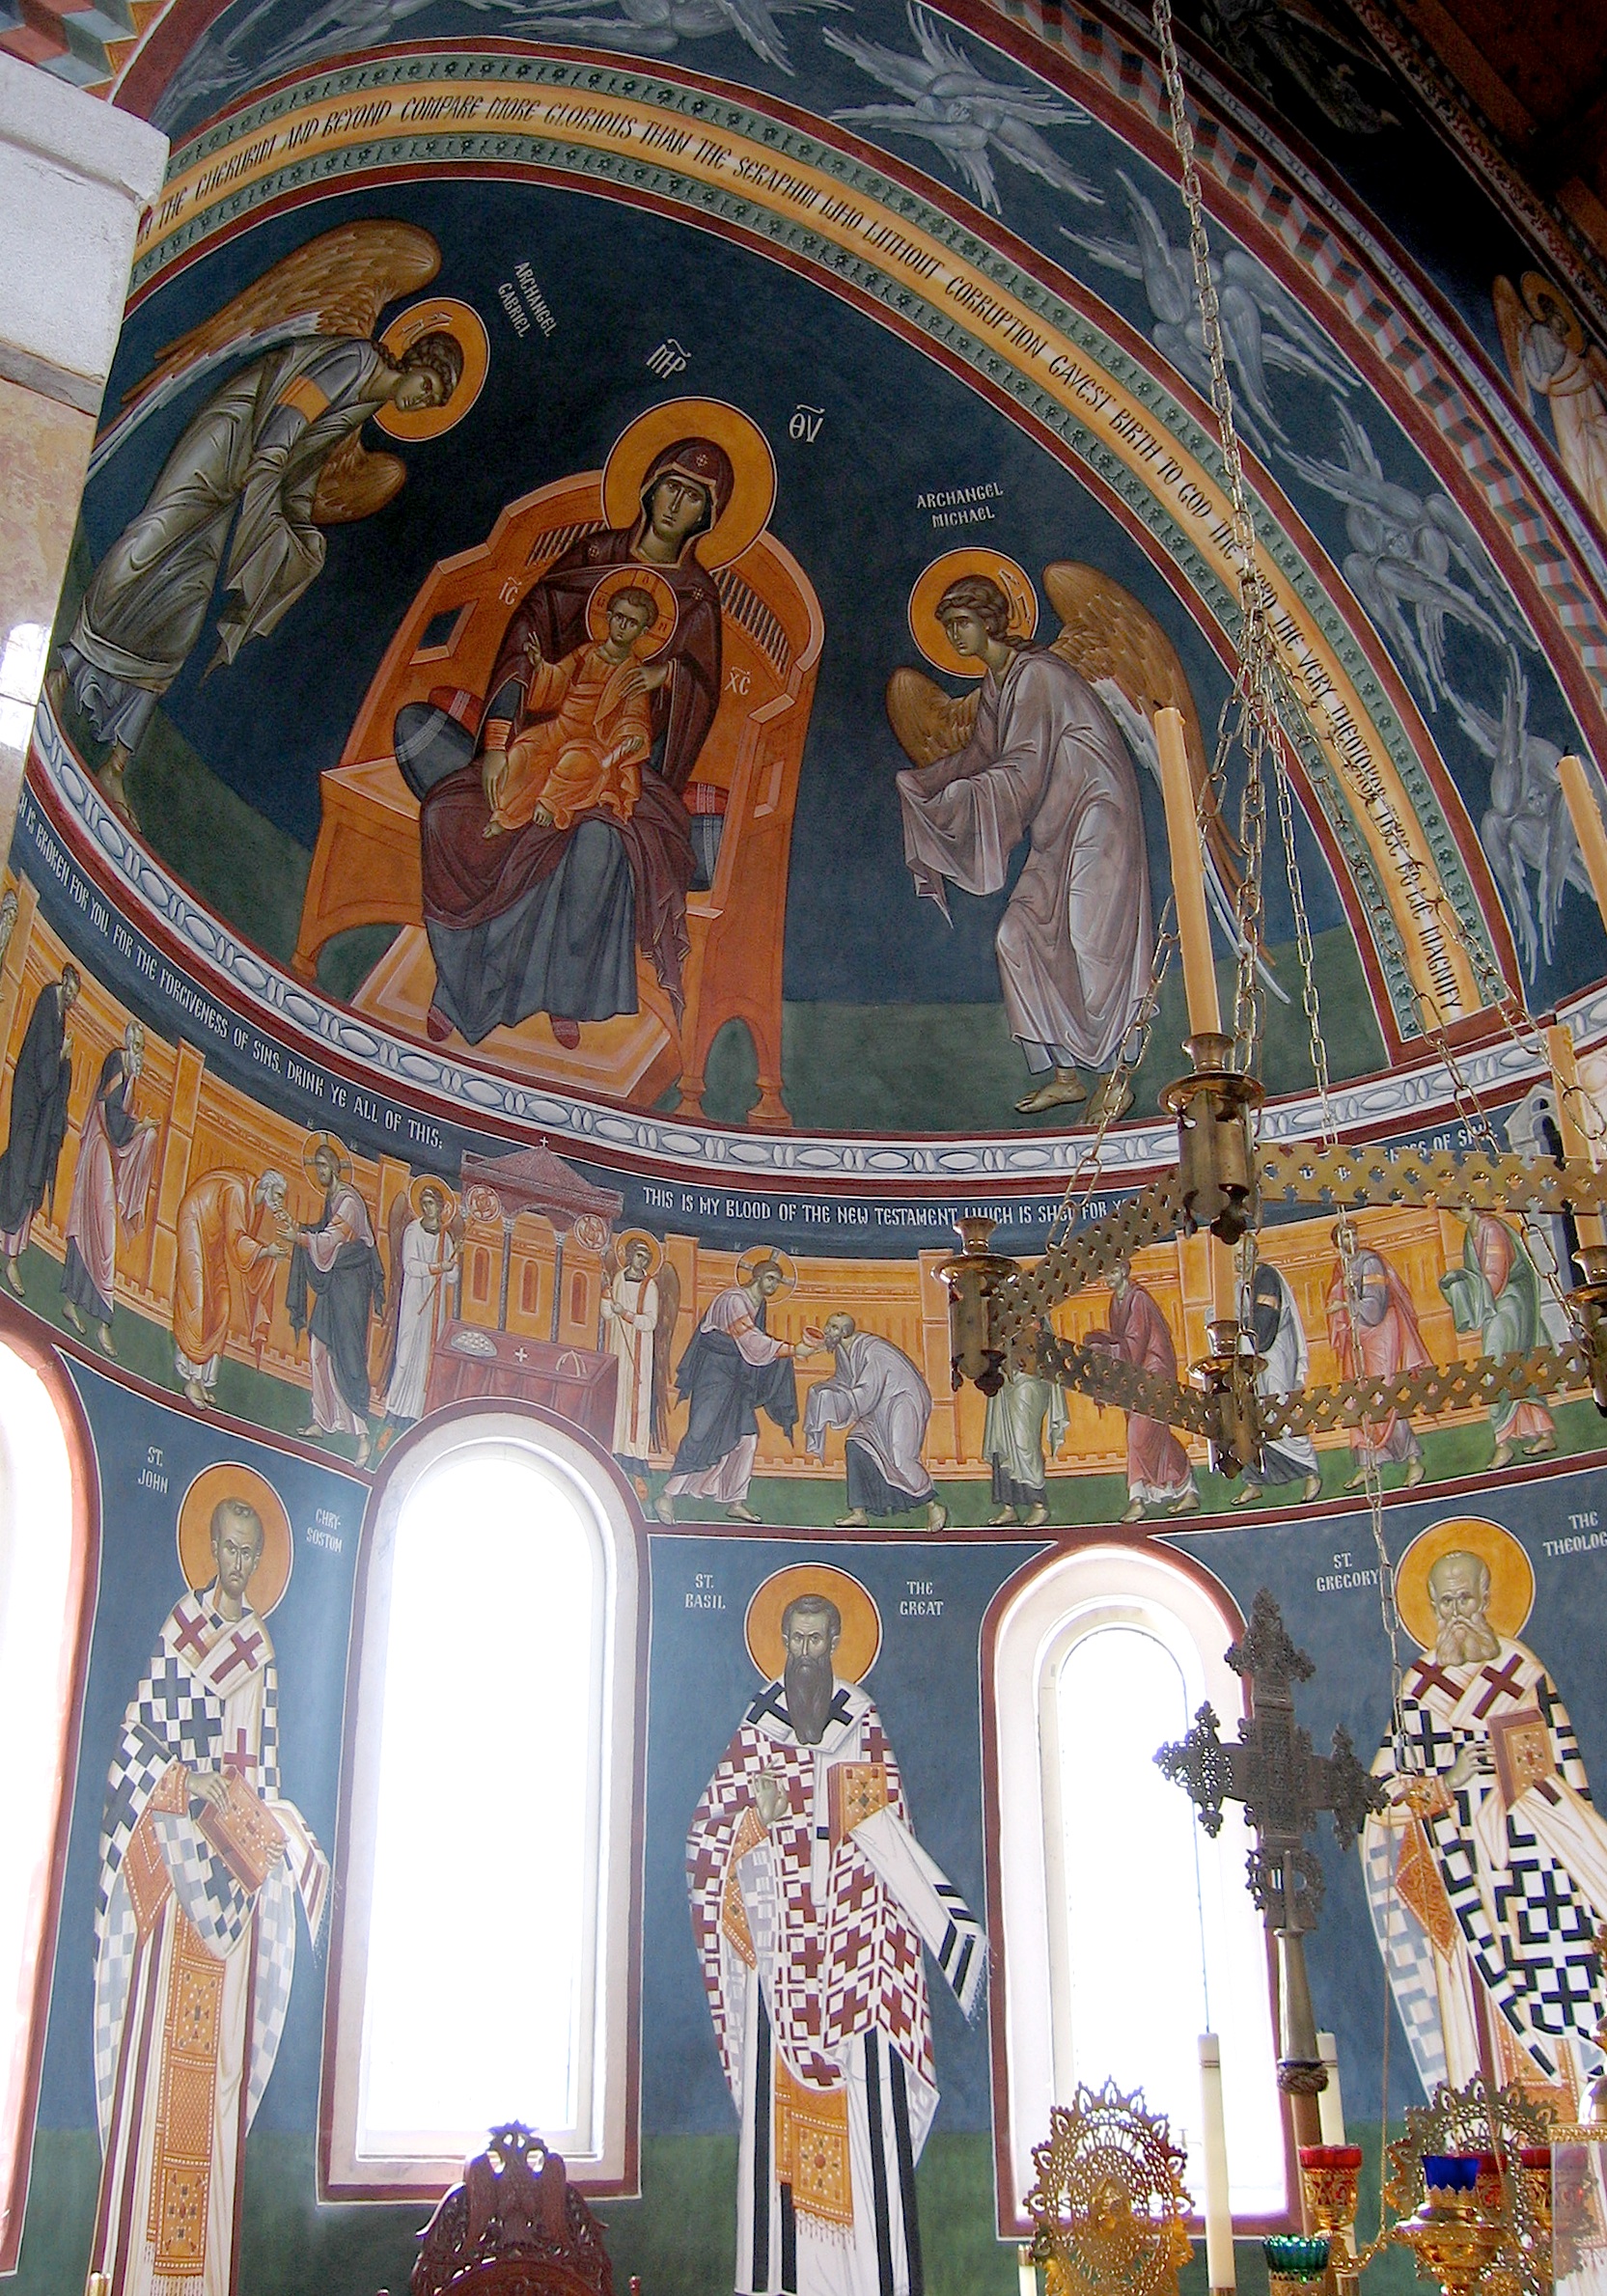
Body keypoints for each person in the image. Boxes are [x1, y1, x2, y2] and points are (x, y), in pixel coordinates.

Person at [687, 1591, 984, 2296]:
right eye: (795, 1640)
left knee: (867, 2132)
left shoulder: (861, 1722)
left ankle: (872, 2281)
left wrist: (851, 1829)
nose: (804, 1654)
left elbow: (886, 1829)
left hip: (858, 1959)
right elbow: (708, 1843)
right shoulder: (758, 1727)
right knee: (777, 2151)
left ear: (837, 1643)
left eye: (816, 1640)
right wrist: (754, 1826)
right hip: (778, 1966)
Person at [49, 328, 463, 828]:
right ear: (415, 362)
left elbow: (304, 468)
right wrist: (267, 475)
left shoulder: (365, 407)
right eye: (426, 385)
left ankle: (116, 762)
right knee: (152, 540)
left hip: (254, 474)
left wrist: (301, 531)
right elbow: (292, 410)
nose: (420, 400)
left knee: (190, 597)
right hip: (231, 436)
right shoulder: (356, 360)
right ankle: (64, 671)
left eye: (432, 402)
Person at [417, 437, 731, 1050]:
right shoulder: (591, 558)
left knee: (593, 846)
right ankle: (458, 989)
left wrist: (668, 677)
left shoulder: (696, 598)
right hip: (541, 739)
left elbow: (700, 691)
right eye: (671, 486)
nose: (676, 504)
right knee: (446, 815)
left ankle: (560, 995)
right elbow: (526, 643)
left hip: (619, 771)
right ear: (650, 488)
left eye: (693, 498)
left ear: (705, 517)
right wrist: (499, 740)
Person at [89, 1495, 326, 2296]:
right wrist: (183, 1782)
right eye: (227, 1547)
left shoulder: (260, 1649)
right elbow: (134, 1746)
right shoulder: (181, 1632)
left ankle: (197, 2279)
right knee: (159, 2071)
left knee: (216, 2078)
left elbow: (262, 1767)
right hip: (171, 1893)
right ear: (210, 1548)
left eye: (248, 1552)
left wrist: (270, 1828)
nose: (237, 1564)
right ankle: (139, 2271)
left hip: (229, 1892)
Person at [895, 573, 1152, 1119]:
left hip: (1098, 814)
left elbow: (1023, 767)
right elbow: (981, 755)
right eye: (948, 627)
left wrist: (960, 799)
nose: (955, 636)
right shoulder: (998, 685)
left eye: (963, 623)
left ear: (990, 622)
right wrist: (926, 783)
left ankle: (1116, 1076)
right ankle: (1067, 1076)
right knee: (1016, 936)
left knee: (1090, 936)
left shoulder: (1036, 674)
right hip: (1055, 825)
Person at [1363, 1544, 1607, 2105]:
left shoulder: (1524, 1672)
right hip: (1461, 1876)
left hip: (1538, 1871)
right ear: (1430, 1607)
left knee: (1559, 1987)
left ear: (1488, 1598)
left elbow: (1569, 1776)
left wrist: (1539, 1793)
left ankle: (1580, 2106)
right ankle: (1487, 2122)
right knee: (1479, 2011)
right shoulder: (1417, 1690)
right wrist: (1447, 1779)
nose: (1457, 1615)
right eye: (1445, 1603)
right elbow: (1378, 1799)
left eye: (1466, 1600)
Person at [483, 584, 659, 837]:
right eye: (619, 617)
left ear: (642, 631)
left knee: (575, 763)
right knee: (523, 751)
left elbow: (635, 715)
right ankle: (504, 816)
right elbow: (559, 681)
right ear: (609, 617)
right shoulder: (586, 652)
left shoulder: (633, 672)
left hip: (593, 742)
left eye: (632, 622)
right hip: (559, 729)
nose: (622, 626)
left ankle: (548, 803)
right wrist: (540, 666)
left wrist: (633, 735)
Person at [656, 1253, 810, 1523]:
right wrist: (792, 1349)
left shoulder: (759, 1304)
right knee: (701, 1431)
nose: (773, 1285)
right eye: (770, 1278)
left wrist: (788, 1352)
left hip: (737, 1375)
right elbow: (749, 1339)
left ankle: (735, 1500)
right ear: (757, 1276)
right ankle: (667, 1496)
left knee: (747, 1437)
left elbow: (752, 1344)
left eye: (777, 1281)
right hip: (715, 1370)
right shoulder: (733, 1300)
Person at [286, 1137, 384, 1467]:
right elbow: (323, 1233)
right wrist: (300, 1231)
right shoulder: (332, 1199)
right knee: (319, 1347)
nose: (320, 1171)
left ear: (336, 1168)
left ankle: (362, 1434)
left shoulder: (349, 1201)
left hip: (351, 1286)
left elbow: (332, 1239)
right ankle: (323, 1419)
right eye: (317, 1166)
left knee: (347, 1354)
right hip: (334, 1283)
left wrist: (301, 1238)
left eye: (324, 1165)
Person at [63, 1020, 160, 1354]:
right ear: (128, 1044)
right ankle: (87, 1311)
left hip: (108, 1152)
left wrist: (143, 1132)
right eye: (138, 1045)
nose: (140, 1052)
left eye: (142, 1047)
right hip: (99, 1150)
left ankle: (91, 1313)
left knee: (99, 1234)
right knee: (97, 1232)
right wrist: (140, 1127)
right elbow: (111, 1118)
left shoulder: (131, 1075)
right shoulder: (118, 1063)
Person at [802, 1312, 949, 1529]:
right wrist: (825, 1390)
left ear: (845, 1332)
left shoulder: (873, 1351)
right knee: (856, 1444)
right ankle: (858, 1513)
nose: (827, 1331)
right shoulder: (843, 1350)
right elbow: (844, 1381)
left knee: (900, 1457)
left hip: (902, 1401)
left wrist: (839, 1399)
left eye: (833, 1327)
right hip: (879, 1405)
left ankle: (933, 1506)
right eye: (828, 1325)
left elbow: (866, 1392)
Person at [1440, 1208, 1557, 1468]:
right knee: (1516, 1367)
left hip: (1509, 1304)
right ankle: (1543, 1433)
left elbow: (1495, 1276)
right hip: (1499, 1306)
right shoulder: (1470, 1233)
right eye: (1452, 1208)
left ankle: (1503, 1443)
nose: (1456, 1212)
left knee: (1498, 1367)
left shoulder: (1491, 1228)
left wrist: (1466, 1287)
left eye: (1460, 1205)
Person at [1084, 1256, 1199, 1520]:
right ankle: (1186, 1488)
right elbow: (1124, 1345)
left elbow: (1135, 1344)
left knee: (1138, 1432)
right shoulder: (1116, 1301)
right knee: (1156, 1433)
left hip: (1154, 1371)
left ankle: (1137, 1499)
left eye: (1113, 1272)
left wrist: (1105, 1352)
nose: (1108, 1278)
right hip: (1135, 1372)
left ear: (1124, 1271)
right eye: (1105, 1273)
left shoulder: (1138, 1299)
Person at [173, 1166, 291, 1405]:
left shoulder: (254, 1202)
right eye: (278, 1195)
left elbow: (239, 1242)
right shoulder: (238, 1191)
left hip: (212, 1234)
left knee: (222, 1303)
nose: (280, 1202)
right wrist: (266, 1251)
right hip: (195, 1221)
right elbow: (237, 1241)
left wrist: (266, 1252)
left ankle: (203, 1379)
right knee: (198, 1297)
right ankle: (191, 1379)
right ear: (267, 1187)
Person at [1324, 1228, 1428, 1489]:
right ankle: (1369, 1464)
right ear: (1337, 1243)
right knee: (1356, 1396)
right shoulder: (1341, 1266)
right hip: (1357, 1335)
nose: (1351, 1240)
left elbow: (1375, 1307)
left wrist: (1344, 1305)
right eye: (1345, 1237)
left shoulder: (1370, 1261)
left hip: (1380, 1331)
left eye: (1353, 1234)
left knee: (1383, 1395)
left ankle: (1413, 1459)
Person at [0, 965, 77, 1293]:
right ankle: (9, 1252)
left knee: (29, 1173)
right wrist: (61, 1056)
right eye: (70, 991)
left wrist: (63, 1061)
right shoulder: (49, 1003)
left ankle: (12, 1255)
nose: (71, 998)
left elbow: (53, 1075)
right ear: (64, 983)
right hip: (29, 1103)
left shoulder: (59, 1014)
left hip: (39, 1111)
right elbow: (44, 1069)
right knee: (20, 1171)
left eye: (74, 995)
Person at [1240, 1259, 1322, 1503]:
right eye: (1233, 1259)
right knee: (1251, 1412)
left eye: (1240, 1256)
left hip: (1274, 1352)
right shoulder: (1240, 1285)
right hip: (1252, 1354)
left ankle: (1310, 1471)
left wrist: (1243, 1329)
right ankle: (1254, 1481)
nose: (1237, 1263)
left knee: (1280, 1408)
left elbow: (1266, 1322)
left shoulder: (1266, 1276)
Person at [378, 1180, 457, 1430]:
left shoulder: (445, 1237)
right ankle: (393, 1409)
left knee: (425, 1358)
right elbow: (410, 1265)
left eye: (431, 1203)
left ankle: (414, 1413)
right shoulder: (412, 1231)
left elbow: (452, 1278)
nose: (427, 1208)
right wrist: (438, 1267)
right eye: (423, 1203)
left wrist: (453, 1262)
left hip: (434, 1306)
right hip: (414, 1302)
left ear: (440, 1207)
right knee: (405, 1353)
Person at [600, 1232, 662, 1484]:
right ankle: (617, 1450)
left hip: (639, 1350)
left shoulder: (650, 1286)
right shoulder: (617, 1278)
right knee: (619, 1397)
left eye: (646, 1258)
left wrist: (625, 1313)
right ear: (628, 1255)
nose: (642, 1261)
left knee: (637, 1403)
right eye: (639, 1255)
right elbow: (607, 1314)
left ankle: (636, 1458)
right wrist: (606, 1297)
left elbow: (650, 1322)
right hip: (619, 1345)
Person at [983, 1345, 1067, 1526]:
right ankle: (1009, 1507)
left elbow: (1037, 1345)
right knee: (1001, 1442)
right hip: (1004, 1378)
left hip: (1029, 1380)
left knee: (1024, 1443)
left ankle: (1039, 1504)